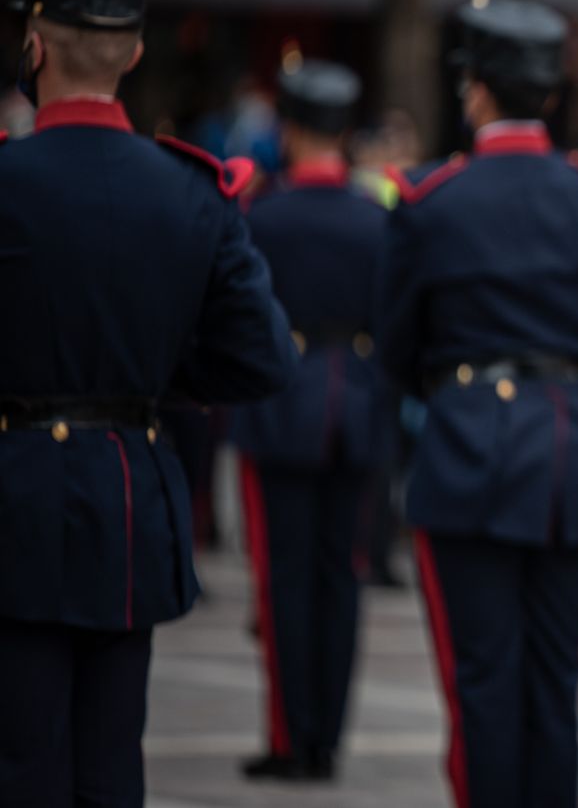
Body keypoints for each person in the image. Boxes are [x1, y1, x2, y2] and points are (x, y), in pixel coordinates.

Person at [0, 0, 296, 804]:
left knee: (20, 763)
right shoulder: (191, 191)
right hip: (131, 494)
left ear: (34, 46)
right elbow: (261, 360)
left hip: (13, 491)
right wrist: (149, 377)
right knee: (110, 763)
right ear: (131, 54)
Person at [379, 0, 578, 808]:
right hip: (574, 453)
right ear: (549, 94)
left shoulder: (432, 200)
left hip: (466, 447)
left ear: (474, 91)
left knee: (482, 686)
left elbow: (395, 345)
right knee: (553, 681)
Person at [231, 51, 394, 781]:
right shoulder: (380, 217)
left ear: (291, 130)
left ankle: (290, 738)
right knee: (340, 579)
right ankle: (327, 736)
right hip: (358, 403)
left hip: (282, 403)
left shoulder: (262, 214)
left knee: (284, 581)